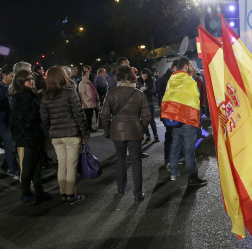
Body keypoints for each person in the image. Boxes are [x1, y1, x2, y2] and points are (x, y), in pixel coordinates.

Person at [99, 64, 151, 202]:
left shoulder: (111, 93)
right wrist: (142, 128)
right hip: (135, 130)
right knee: (136, 161)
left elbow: (104, 116)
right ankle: (138, 193)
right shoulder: (139, 94)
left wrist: (108, 130)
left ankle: (121, 187)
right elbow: (147, 116)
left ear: (118, 77)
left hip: (117, 130)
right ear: (132, 77)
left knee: (121, 159)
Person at [40, 66, 90, 204]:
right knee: (71, 165)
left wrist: (49, 132)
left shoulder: (45, 96)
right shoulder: (69, 93)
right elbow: (79, 115)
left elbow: (44, 119)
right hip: (72, 134)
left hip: (56, 135)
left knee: (62, 165)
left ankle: (63, 193)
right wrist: (85, 133)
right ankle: (70, 194)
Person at [161, 57, 207, 186]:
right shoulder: (190, 81)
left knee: (175, 147)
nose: (192, 68)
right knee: (188, 151)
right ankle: (192, 178)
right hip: (188, 120)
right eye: (191, 65)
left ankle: (174, 173)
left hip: (175, 121)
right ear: (186, 67)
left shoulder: (171, 80)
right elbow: (195, 99)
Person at [9, 70, 52, 204]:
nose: (32, 81)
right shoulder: (22, 97)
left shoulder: (29, 95)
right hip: (28, 136)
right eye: (28, 79)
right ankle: (26, 193)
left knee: (37, 165)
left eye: (32, 78)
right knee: (28, 166)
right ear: (21, 82)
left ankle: (38, 192)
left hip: (33, 134)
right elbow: (29, 117)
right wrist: (43, 114)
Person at [0, 64, 20, 179]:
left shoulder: (12, 87)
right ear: (4, 75)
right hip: (4, 122)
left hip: (12, 121)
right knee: (10, 147)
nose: (13, 79)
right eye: (11, 76)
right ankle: (14, 171)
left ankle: (7, 165)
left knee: (14, 146)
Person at [136, 68, 158, 142]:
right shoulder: (138, 81)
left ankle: (155, 134)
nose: (144, 78)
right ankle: (147, 135)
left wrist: (147, 89)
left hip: (149, 101)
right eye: (143, 76)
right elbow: (136, 91)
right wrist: (140, 90)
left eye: (146, 76)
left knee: (151, 119)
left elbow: (154, 92)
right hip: (141, 102)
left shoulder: (151, 81)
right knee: (144, 120)